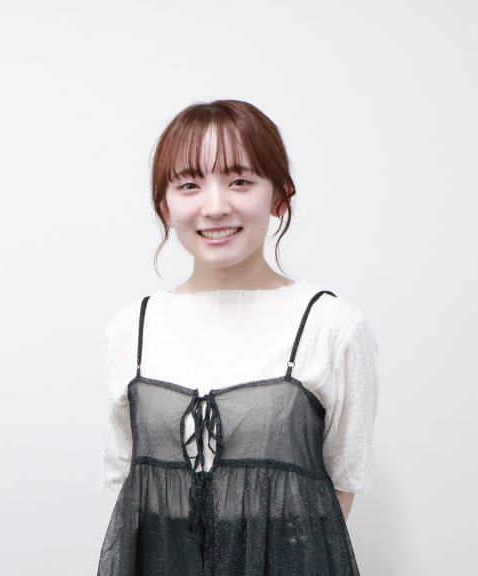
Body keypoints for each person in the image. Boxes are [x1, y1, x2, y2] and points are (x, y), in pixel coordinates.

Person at [97, 100, 380, 576]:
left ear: (280, 196)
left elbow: (341, 490)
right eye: (189, 185)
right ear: (165, 207)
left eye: (240, 181)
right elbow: (132, 498)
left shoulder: (331, 325)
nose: (215, 206)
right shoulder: (132, 327)